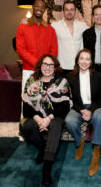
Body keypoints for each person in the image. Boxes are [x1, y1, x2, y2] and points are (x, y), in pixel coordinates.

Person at [19, 54, 72, 186]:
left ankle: (47, 167)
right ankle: (42, 147)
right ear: (40, 65)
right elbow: (26, 106)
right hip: (36, 116)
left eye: (50, 65)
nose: (47, 67)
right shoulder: (32, 80)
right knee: (27, 126)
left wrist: (48, 119)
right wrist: (39, 119)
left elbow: (65, 106)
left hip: (55, 116)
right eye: (44, 64)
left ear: (55, 67)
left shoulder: (61, 81)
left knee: (56, 124)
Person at [65, 49, 101, 176]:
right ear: (77, 60)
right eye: (82, 58)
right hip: (78, 107)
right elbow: (70, 97)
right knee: (69, 120)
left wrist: (90, 110)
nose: (84, 61)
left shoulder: (99, 75)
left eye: (87, 59)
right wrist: (82, 110)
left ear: (91, 61)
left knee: (100, 116)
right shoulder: (70, 77)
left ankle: (96, 150)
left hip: (95, 106)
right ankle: (79, 142)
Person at [16, 0, 58, 92]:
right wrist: (38, 64)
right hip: (29, 70)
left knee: (46, 101)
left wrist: (45, 66)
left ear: (45, 10)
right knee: (28, 101)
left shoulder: (51, 30)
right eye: (37, 6)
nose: (39, 9)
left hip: (47, 72)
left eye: (42, 7)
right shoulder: (22, 27)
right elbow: (21, 50)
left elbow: (54, 51)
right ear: (33, 7)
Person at [51, 0, 88, 75]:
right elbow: (43, 28)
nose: (69, 12)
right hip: (61, 67)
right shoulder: (55, 26)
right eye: (66, 10)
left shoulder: (82, 26)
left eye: (72, 9)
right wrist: (27, 21)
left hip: (78, 67)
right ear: (63, 11)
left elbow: (94, 31)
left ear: (75, 11)